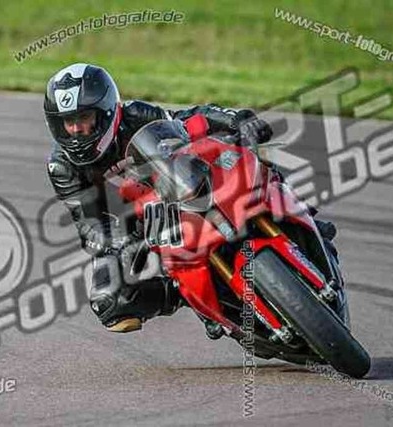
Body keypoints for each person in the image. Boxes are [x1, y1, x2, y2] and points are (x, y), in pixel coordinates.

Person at [43, 63, 336, 338]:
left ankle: (296, 210)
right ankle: (191, 298)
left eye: (84, 118)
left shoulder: (134, 114)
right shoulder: (62, 167)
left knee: (248, 152)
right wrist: (117, 242)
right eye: (68, 122)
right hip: (131, 223)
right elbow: (88, 225)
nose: (76, 129)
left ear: (107, 112)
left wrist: (236, 120)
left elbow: (187, 120)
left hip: (175, 183)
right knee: (109, 303)